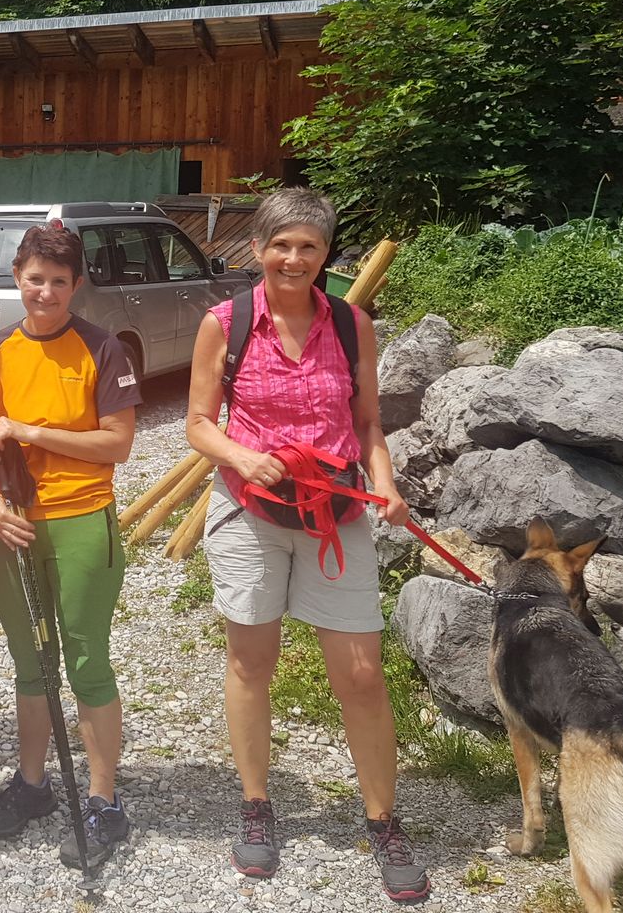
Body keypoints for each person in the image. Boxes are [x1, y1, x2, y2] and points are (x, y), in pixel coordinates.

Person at [184, 187, 429, 902]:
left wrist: (386, 484)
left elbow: (368, 423)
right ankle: (256, 806)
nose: (294, 258)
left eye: (309, 247)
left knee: (361, 673)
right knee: (251, 660)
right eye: (281, 245)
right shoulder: (225, 324)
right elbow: (197, 423)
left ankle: (382, 820)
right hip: (250, 510)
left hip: (334, 514)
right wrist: (241, 455)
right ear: (257, 248)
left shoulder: (352, 325)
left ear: (326, 255)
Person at [0, 225, 140, 870]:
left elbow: (117, 443)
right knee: (30, 662)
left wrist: (33, 430)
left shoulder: (100, 347)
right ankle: (33, 781)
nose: (44, 292)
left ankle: (102, 798)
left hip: (81, 518)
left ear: (77, 285)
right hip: (12, 522)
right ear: (17, 276)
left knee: (86, 659)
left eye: (59, 282)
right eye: (35, 279)